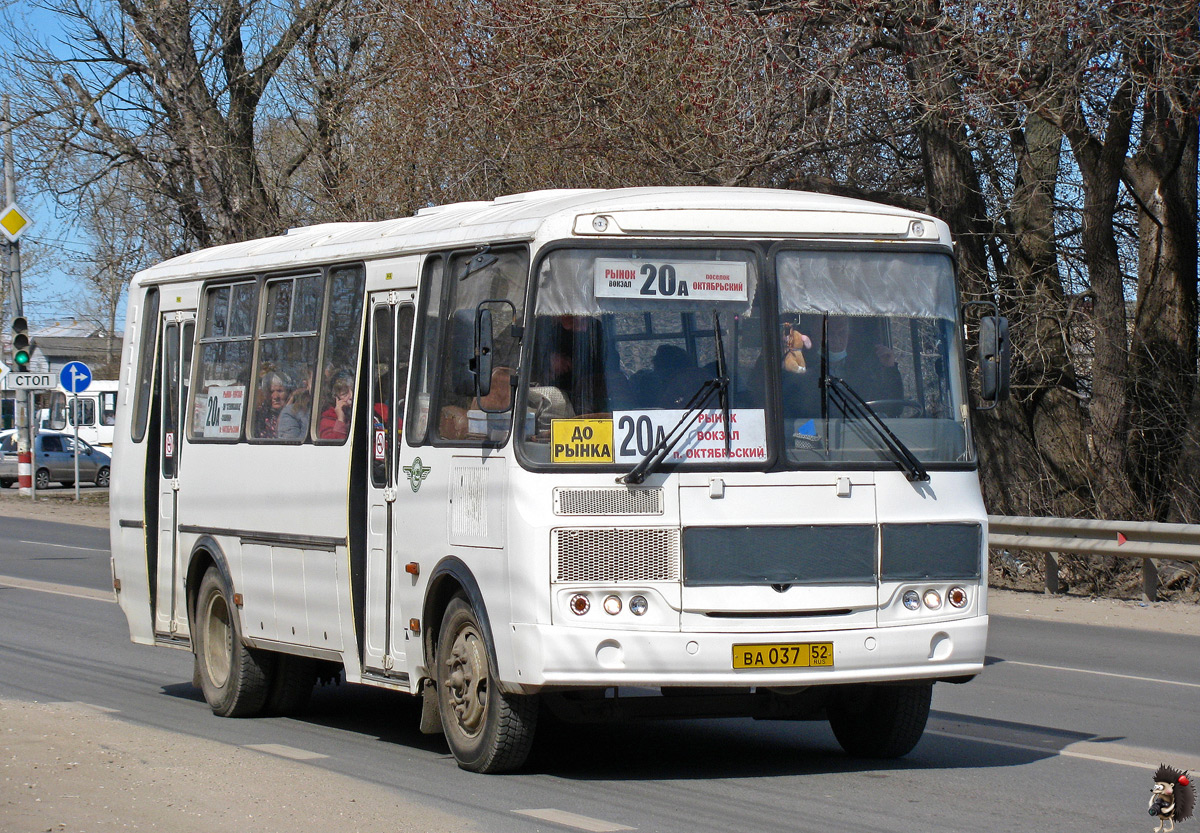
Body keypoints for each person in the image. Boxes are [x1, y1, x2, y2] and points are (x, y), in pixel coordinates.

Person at [253, 371, 291, 438]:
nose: (275, 396)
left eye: (279, 391)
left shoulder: (296, 413)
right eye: (271, 392)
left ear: (288, 392)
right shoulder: (259, 415)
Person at [318, 373, 354, 440]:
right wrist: (340, 419)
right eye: (345, 394)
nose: (351, 396)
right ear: (335, 399)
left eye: (354, 391)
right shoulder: (327, 420)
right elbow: (334, 446)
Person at [277, 371, 312, 440]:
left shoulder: (332, 410)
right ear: (307, 385)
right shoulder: (292, 413)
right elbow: (290, 446)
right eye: (317, 382)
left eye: (325, 382)